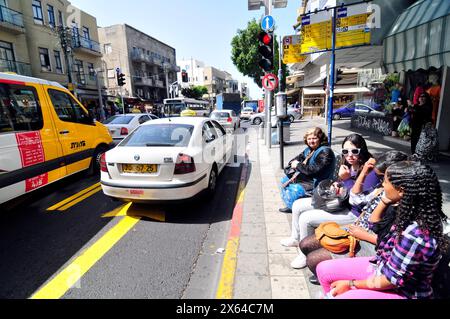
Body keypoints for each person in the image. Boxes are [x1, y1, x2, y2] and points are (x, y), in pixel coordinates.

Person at [316, 161, 447, 299]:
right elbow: (375, 225)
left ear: (401, 191)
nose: (382, 185)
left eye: (385, 181)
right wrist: (385, 200)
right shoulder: (407, 209)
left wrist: (351, 284)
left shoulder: (416, 234)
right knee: (324, 270)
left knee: (344, 295)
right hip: (383, 268)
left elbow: (391, 280)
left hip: (403, 291)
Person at [298, 151, 409, 284]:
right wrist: (362, 174)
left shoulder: (403, 207)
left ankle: (336, 277)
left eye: (384, 179)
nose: (382, 183)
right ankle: (332, 276)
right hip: (358, 229)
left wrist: (362, 234)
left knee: (313, 260)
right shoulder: (384, 190)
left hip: (368, 242)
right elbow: (356, 199)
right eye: (345, 151)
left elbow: (391, 243)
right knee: (305, 244)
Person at [280, 134, 377, 269]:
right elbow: (342, 186)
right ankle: (295, 238)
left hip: (353, 213)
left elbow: (359, 202)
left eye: (354, 151)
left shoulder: (369, 171)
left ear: (363, 150)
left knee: (306, 218)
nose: (350, 155)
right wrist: (337, 184)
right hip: (340, 203)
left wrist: (347, 180)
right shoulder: (347, 164)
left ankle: (304, 256)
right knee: (297, 205)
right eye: (345, 151)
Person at [279, 127, 336, 214]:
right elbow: (295, 160)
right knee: (284, 180)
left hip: (319, 183)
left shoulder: (325, 152)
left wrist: (298, 165)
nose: (311, 141)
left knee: (296, 189)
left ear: (320, 139)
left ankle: (294, 207)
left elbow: (314, 171)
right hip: (309, 178)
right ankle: (291, 206)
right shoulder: (309, 150)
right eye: (309, 139)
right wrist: (293, 165)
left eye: (314, 138)